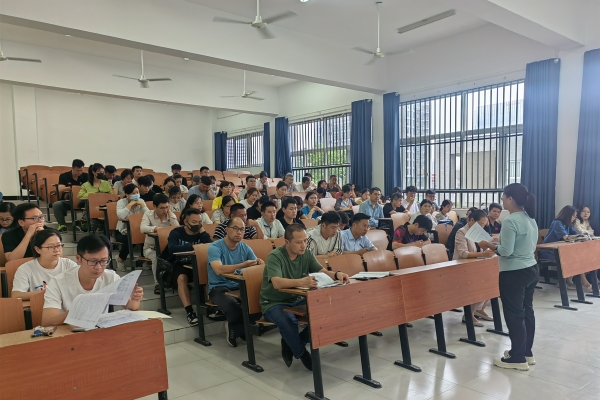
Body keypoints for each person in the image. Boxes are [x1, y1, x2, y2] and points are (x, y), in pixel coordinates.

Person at [259, 224, 349, 370]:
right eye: (299, 242)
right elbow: (276, 283)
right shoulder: (275, 256)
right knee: (288, 320)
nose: (304, 245)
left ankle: (292, 342)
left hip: (296, 298)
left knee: (326, 311)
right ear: (287, 242)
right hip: (273, 302)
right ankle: (302, 353)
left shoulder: (306, 253)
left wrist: (337, 274)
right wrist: (301, 282)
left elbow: (321, 270)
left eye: (305, 241)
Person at [478, 183, 539, 371]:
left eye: (503, 197)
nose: (502, 200)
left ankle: (517, 357)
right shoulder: (530, 218)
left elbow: (506, 251)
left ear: (510, 198)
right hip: (531, 268)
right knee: (527, 311)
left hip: (514, 273)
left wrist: (488, 245)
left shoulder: (510, 221)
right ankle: (526, 353)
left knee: (514, 314)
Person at [41, 234, 143, 326]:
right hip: (71, 333)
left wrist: (135, 300)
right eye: (93, 261)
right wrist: (76, 313)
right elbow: (47, 321)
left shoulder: (111, 277)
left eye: (103, 261)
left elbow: (130, 307)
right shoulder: (58, 282)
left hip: (100, 331)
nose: (98, 267)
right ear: (78, 258)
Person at [208, 217, 263, 346]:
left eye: (242, 229)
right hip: (219, 287)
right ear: (227, 230)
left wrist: (259, 263)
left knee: (260, 300)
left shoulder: (245, 247)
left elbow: (257, 266)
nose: (239, 232)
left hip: (239, 285)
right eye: (236, 229)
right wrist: (243, 265)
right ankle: (242, 329)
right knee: (232, 305)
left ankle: (238, 329)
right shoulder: (215, 247)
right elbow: (218, 269)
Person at [164, 208, 212, 326]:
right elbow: (172, 248)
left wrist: (203, 233)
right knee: (182, 278)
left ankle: (210, 306)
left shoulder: (201, 233)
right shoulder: (176, 233)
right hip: (178, 264)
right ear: (186, 222)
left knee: (211, 273)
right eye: (194, 222)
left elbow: (209, 247)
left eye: (199, 222)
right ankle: (190, 312)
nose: (197, 225)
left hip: (197, 264)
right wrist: (194, 247)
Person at [453, 209, 496, 326]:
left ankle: (480, 309)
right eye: (480, 224)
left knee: (493, 280)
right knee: (483, 282)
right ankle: (469, 314)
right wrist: (483, 254)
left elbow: (484, 249)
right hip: (462, 267)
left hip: (476, 266)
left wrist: (489, 250)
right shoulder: (461, 232)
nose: (482, 227)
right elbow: (463, 254)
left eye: (484, 225)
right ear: (472, 220)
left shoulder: (479, 233)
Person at [11, 229, 77, 299]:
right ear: (37, 249)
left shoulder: (69, 265)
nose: (56, 250)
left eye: (59, 245)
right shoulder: (25, 269)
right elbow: (16, 295)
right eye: (50, 247)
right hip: (39, 305)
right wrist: (47, 292)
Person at [538, 205, 589, 290]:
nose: (574, 218)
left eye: (575, 216)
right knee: (572, 258)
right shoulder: (557, 223)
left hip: (559, 252)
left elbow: (577, 235)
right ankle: (583, 283)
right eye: (573, 216)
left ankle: (574, 281)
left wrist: (583, 236)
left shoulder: (568, 225)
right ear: (567, 215)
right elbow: (566, 237)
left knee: (579, 257)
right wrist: (577, 237)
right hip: (548, 252)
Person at [141, 194, 180, 292]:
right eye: (162, 208)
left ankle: (175, 282)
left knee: (178, 257)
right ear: (154, 206)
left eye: (167, 207)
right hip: (151, 248)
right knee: (156, 258)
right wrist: (156, 228)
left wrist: (171, 214)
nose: (165, 210)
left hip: (168, 248)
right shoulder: (148, 214)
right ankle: (158, 284)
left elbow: (178, 229)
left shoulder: (171, 215)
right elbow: (143, 228)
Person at [115, 184, 150, 271]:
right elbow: (121, 216)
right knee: (131, 239)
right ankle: (120, 259)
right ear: (127, 194)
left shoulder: (141, 201)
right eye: (133, 193)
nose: (136, 195)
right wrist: (129, 205)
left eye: (137, 192)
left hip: (138, 230)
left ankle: (144, 261)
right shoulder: (121, 202)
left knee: (147, 237)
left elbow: (149, 215)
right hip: (122, 231)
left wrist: (143, 206)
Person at [53, 159, 88, 232]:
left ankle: (83, 222)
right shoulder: (64, 176)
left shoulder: (86, 176)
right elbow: (60, 189)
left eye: (81, 170)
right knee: (57, 205)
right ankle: (62, 225)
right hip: (68, 201)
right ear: (72, 168)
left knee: (91, 203)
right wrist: (72, 188)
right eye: (77, 170)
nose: (79, 172)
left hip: (82, 201)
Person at [77, 163, 113, 232]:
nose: (101, 174)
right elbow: (80, 196)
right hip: (91, 208)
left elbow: (111, 195)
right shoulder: (86, 185)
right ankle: (91, 230)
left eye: (102, 172)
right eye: (99, 172)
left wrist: (103, 195)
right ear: (93, 172)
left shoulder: (106, 183)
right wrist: (93, 195)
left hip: (104, 207)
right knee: (95, 218)